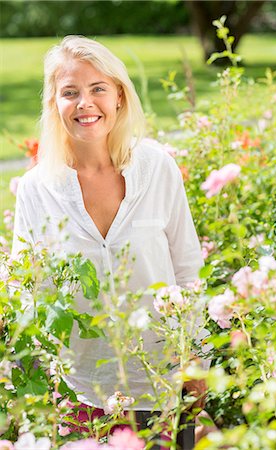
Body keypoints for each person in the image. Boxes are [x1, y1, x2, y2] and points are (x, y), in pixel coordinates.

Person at [12, 35, 206, 439]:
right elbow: (25, 289)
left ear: (119, 95)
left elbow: (188, 268)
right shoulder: (37, 189)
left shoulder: (157, 169)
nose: (85, 103)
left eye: (97, 88)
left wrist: (196, 362)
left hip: (160, 383)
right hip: (80, 392)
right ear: (54, 103)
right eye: (70, 92)